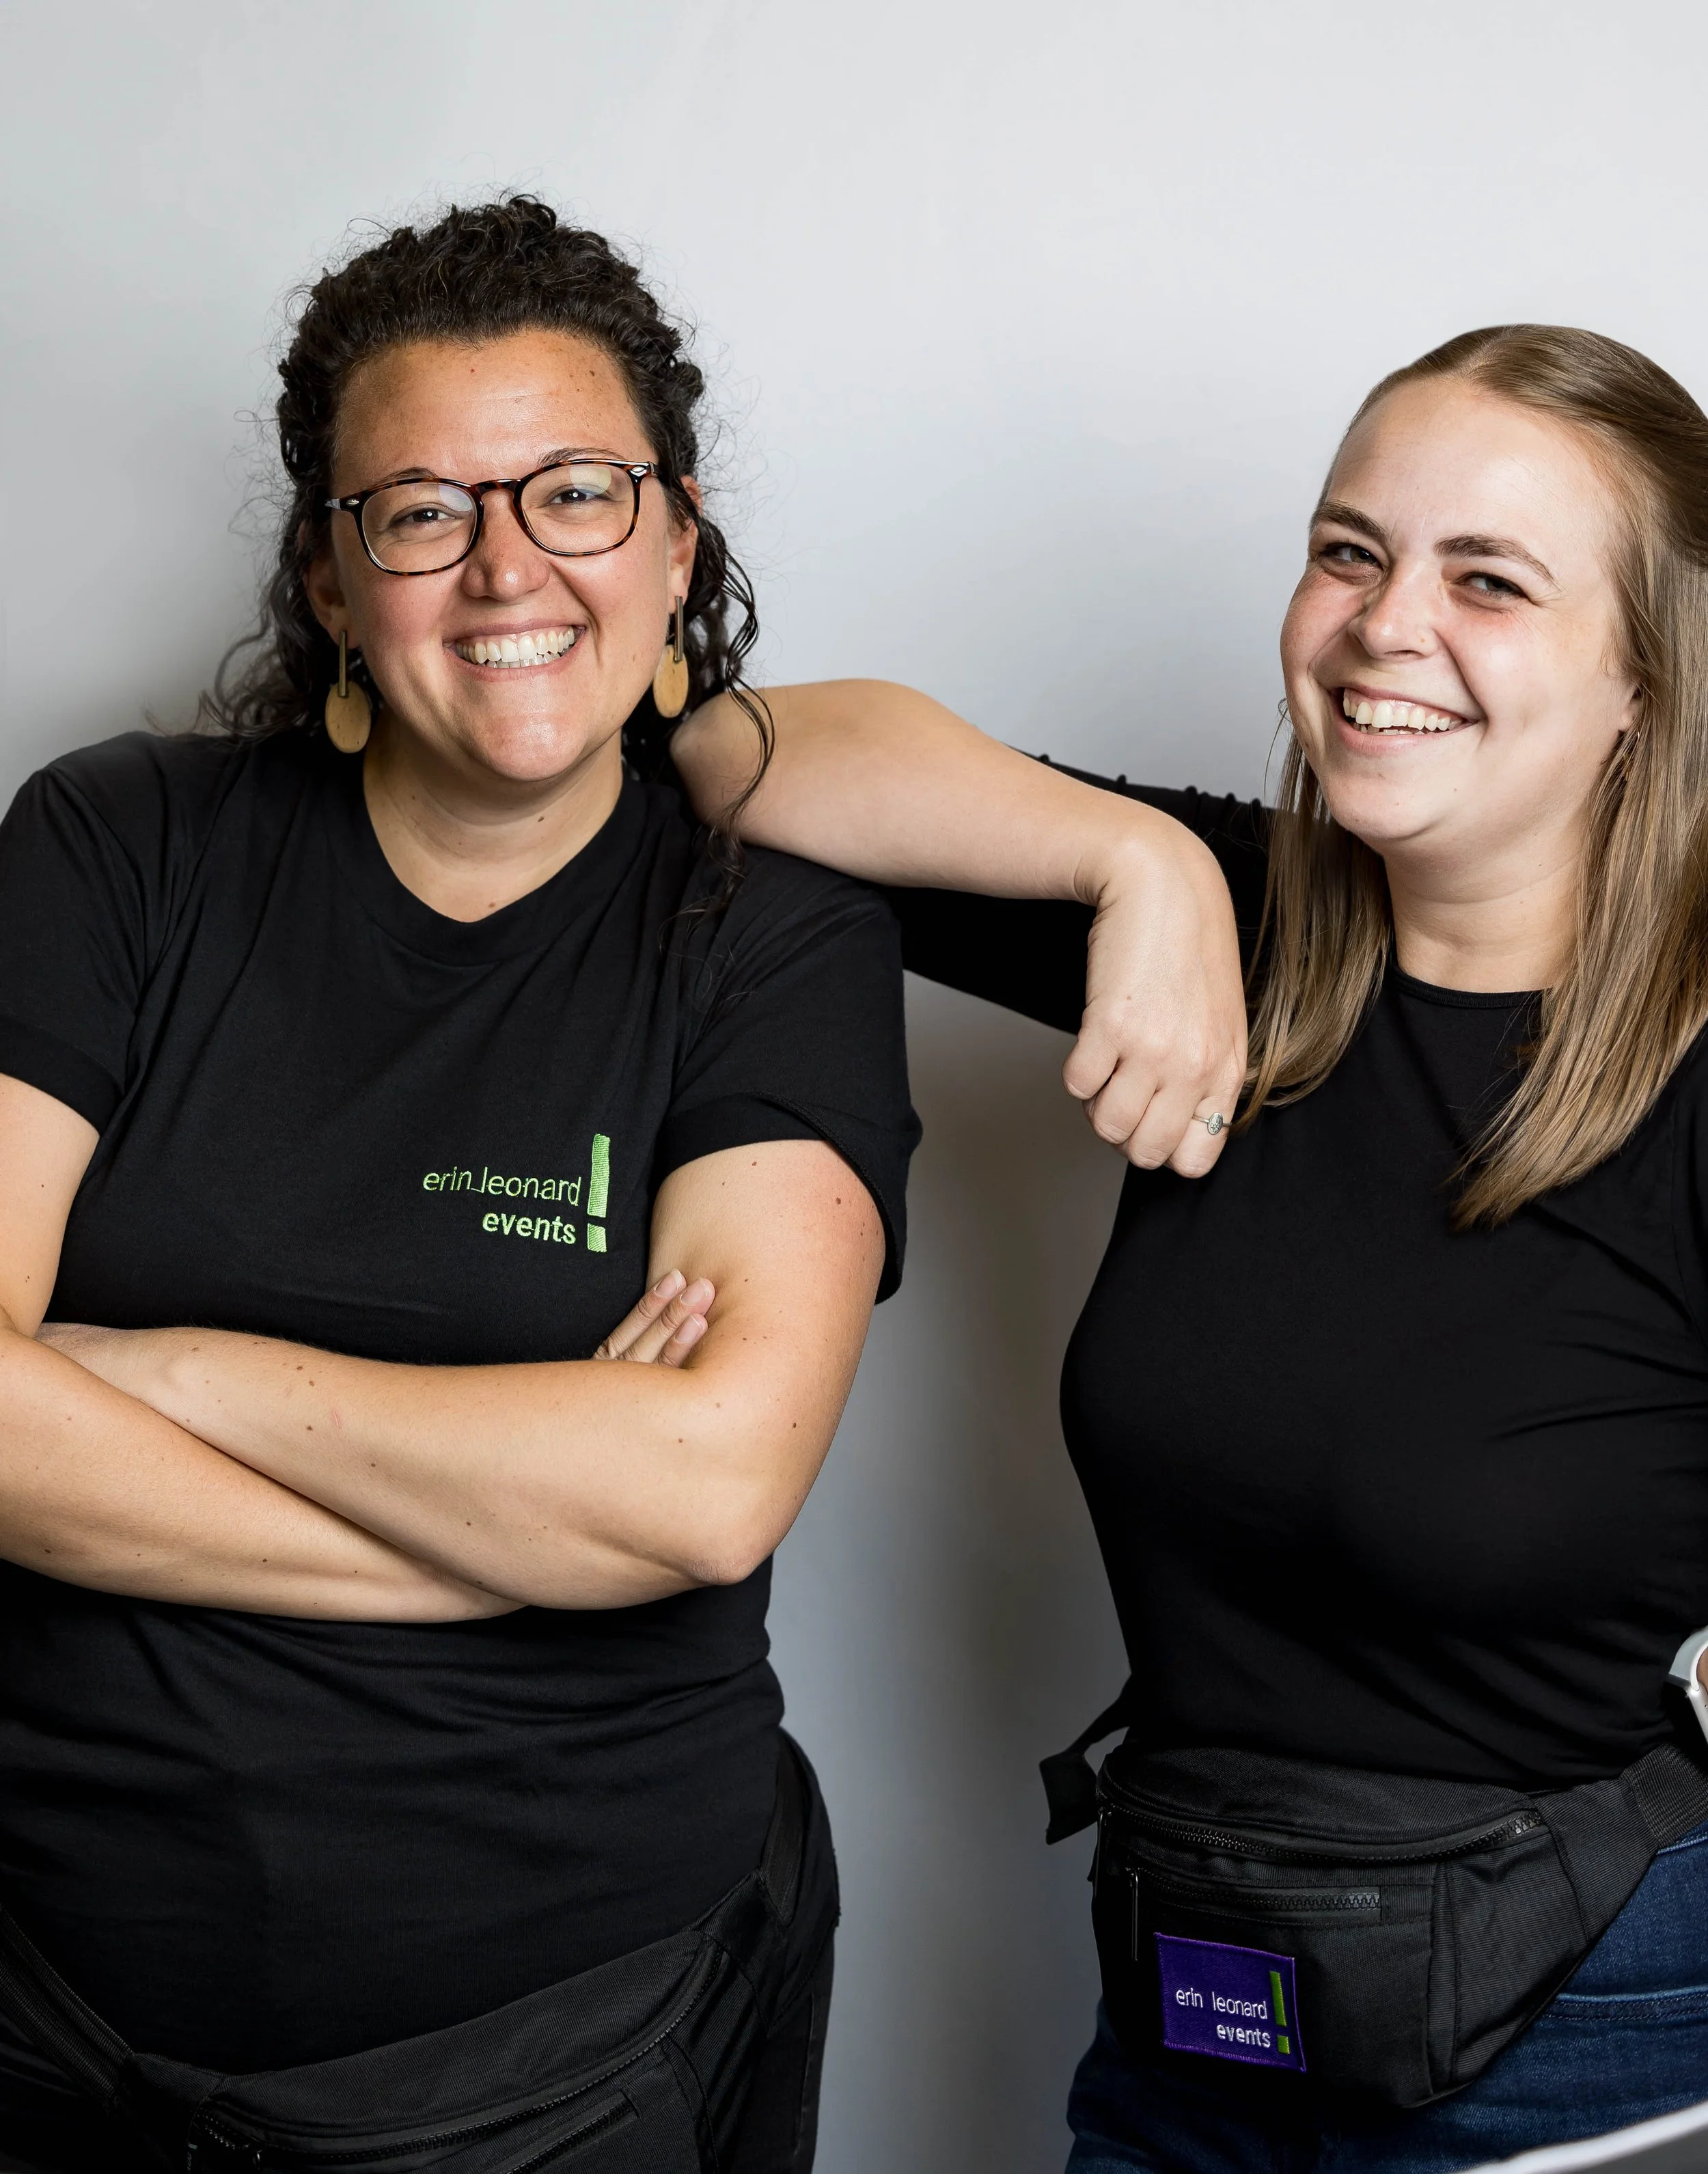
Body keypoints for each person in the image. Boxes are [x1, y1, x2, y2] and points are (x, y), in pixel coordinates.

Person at [675, 325, 1708, 2169]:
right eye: (1348, 551)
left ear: (1648, 671)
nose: (1386, 626)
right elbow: (733, 751)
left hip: (1586, 2063)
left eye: (1489, 580)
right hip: (1197, 2020)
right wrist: (1133, 867)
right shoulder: (1235, 922)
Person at [0, 195, 954, 2174]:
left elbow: (704, 1488)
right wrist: (501, 1536)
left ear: (677, 542)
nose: (508, 564)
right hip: (40, 2011)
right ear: (331, 576)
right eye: (422, 511)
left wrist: (156, 1371)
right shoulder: (118, 842)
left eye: (578, 493)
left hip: (551, 2052)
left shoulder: (774, 936)